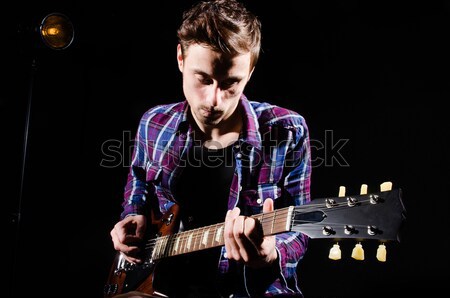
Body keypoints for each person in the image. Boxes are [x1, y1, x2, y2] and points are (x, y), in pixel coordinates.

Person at [109, 0, 311, 297]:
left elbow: (303, 227)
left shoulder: (287, 131)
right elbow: (138, 180)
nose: (213, 100)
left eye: (230, 83)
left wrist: (270, 251)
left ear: (250, 71)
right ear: (181, 57)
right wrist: (133, 214)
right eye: (202, 79)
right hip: (154, 286)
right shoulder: (154, 122)